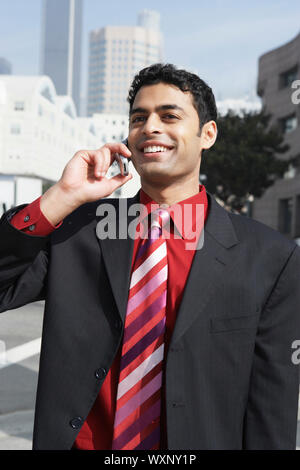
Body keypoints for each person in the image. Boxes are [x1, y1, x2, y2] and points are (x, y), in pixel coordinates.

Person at [0, 63, 299, 450]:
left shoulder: (270, 257)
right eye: (139, 118)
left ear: (207, 134)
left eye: (169, 115)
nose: (150, 127)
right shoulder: (75, 233)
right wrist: (61, 198)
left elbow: (270, 409)